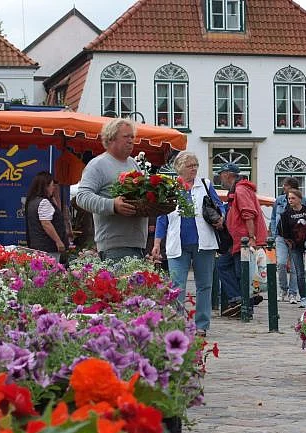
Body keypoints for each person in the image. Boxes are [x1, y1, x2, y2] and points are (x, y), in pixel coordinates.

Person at [152, 152, 224, 337]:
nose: (194, 169)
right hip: (177, 243)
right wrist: (157, 243)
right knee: (177, 286)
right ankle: (177, 324)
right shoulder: (170, 187)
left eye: (195, 165)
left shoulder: (205, 184)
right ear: (179, 168)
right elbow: (162, 217)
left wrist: (221, 218)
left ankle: (202, 325)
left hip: (204, 243)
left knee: (204, 285)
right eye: (189, 165)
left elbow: (219, 206)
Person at [75, 118, 146, 262]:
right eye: (126, 136)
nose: (131, 141)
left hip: (137, 244)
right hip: (114, 245)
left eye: (132, 137)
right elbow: (82, 197)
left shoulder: (133, 163)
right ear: (111, 138)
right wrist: (112, 205)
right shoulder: (98, 164)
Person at [215, 163, 266, 317]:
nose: (220, 178)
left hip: (243, 240)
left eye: (221, 174)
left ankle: (245, 305)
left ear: (228, 174)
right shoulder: (238, 189)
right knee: (224, 265)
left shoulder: (240, 189)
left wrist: (251, 237)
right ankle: (239, 300)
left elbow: (248, 213)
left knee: (241, 272)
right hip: (237, 240)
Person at [279, 188, 306, 308]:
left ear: (299, 199)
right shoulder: (286, 214)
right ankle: (303, 297)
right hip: (295, 246)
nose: (290, 200)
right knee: (299, 272)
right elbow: (282, 231)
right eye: (289, 198)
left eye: (293, 198)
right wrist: (289, 242)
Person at [25, 171, 68, 261]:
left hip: (37, 245)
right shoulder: (44, 202)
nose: (53, 188)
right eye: (52, 185)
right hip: (48, 247)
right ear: (45, 186)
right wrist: (58, 241)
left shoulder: (32, 201)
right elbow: (46, 223)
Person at [270, 177, 300, 303]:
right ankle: (283, 289)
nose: (283, 187)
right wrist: (274, 233)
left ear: (292, 188)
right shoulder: (279, 200)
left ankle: (293, 293)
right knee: (281, 263)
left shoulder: (301, 200)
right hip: (281, 236)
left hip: (295, 238)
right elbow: (273, 217)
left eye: (286, 185)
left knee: (294, 267)